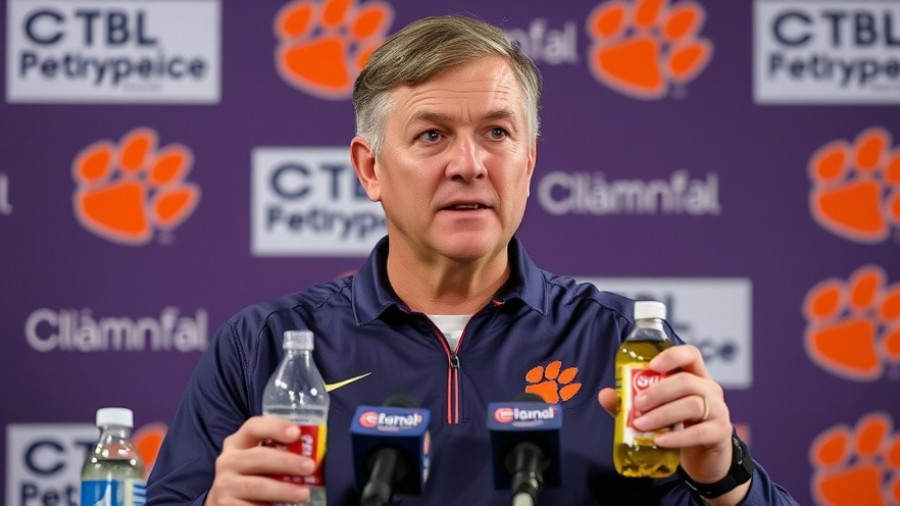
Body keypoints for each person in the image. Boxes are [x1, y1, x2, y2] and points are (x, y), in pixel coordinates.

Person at [147, 15, 798, 505]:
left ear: (530, 161)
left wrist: (725, 478)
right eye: (432, 135)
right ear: (370, 168)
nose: (469, 164)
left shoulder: (625, 344)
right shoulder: (262, 348)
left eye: (497, 132)